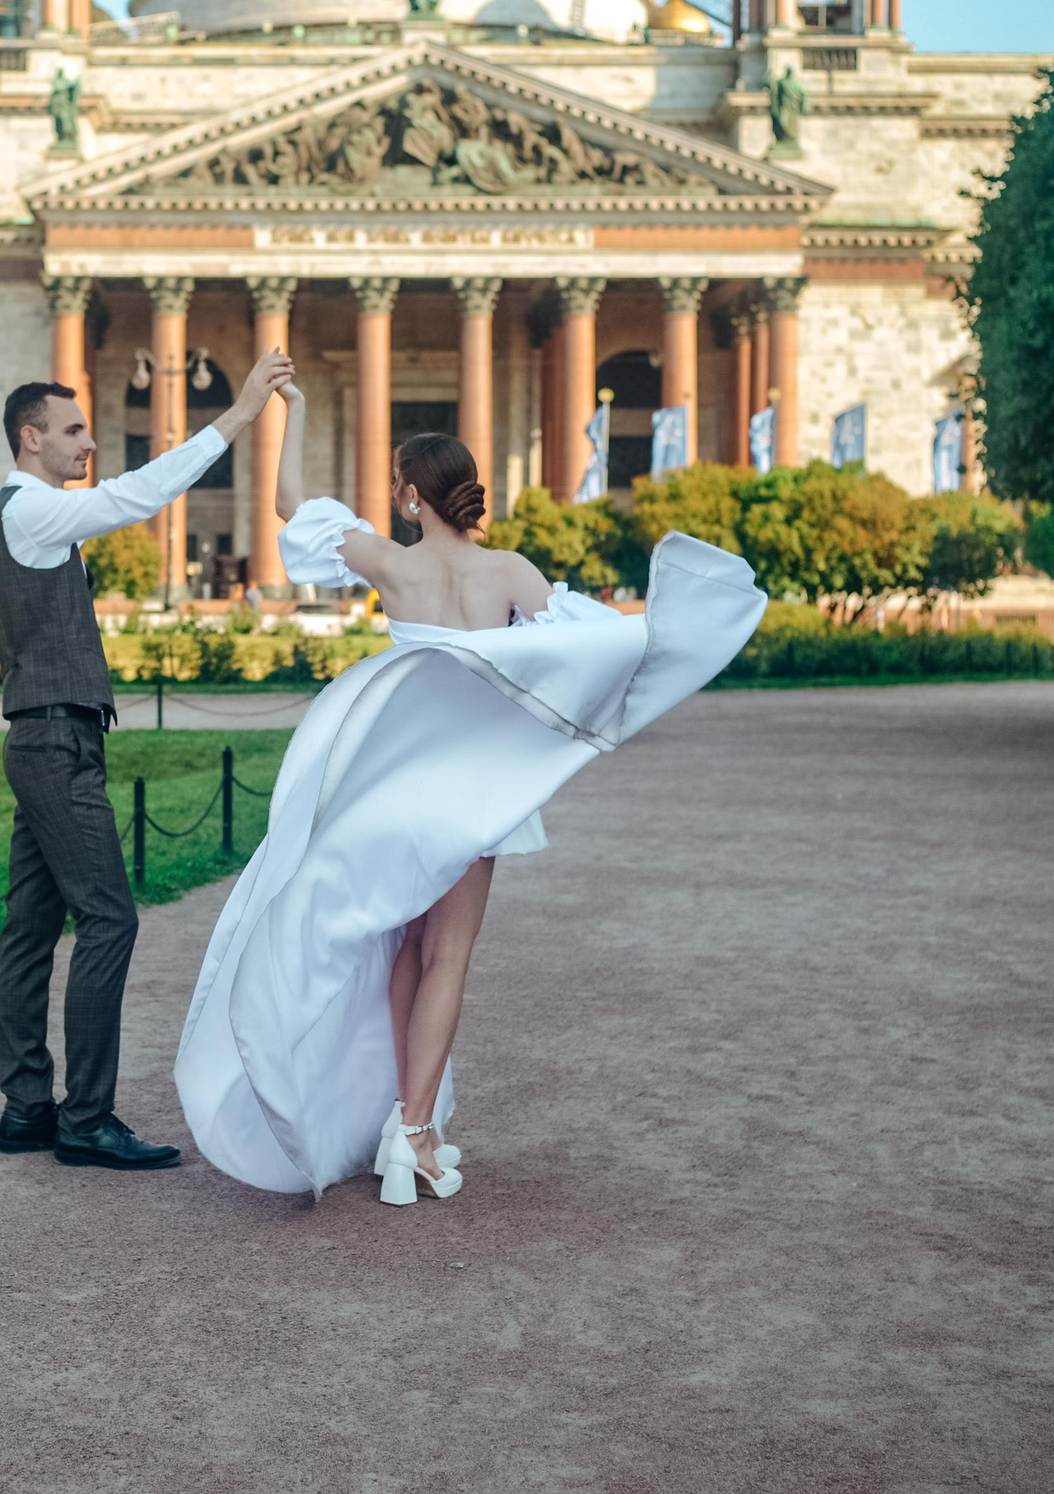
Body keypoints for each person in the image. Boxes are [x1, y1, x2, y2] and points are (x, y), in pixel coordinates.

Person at [175, 372, 767, 1204]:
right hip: (474, 798)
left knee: (406, 953)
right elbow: (583, 649)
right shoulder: (510, 573)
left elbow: (291, 506)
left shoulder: (389, 564)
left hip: (395, 793)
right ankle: (413, 1132)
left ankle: (408, 1121)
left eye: (395, 486)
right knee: (447, 954)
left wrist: (297, 411)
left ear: (412, 497)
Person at [0, 348, 294, 1170]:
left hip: (45, 735)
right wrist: (240, 413)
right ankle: (84, 1117)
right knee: (110, 919)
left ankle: (27, 1107)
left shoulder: (29, 511)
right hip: (56, 740)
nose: (88, 442)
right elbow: (141, 493)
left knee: (30, 930)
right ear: (31, 437)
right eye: (73, 429)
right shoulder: (33, 509)